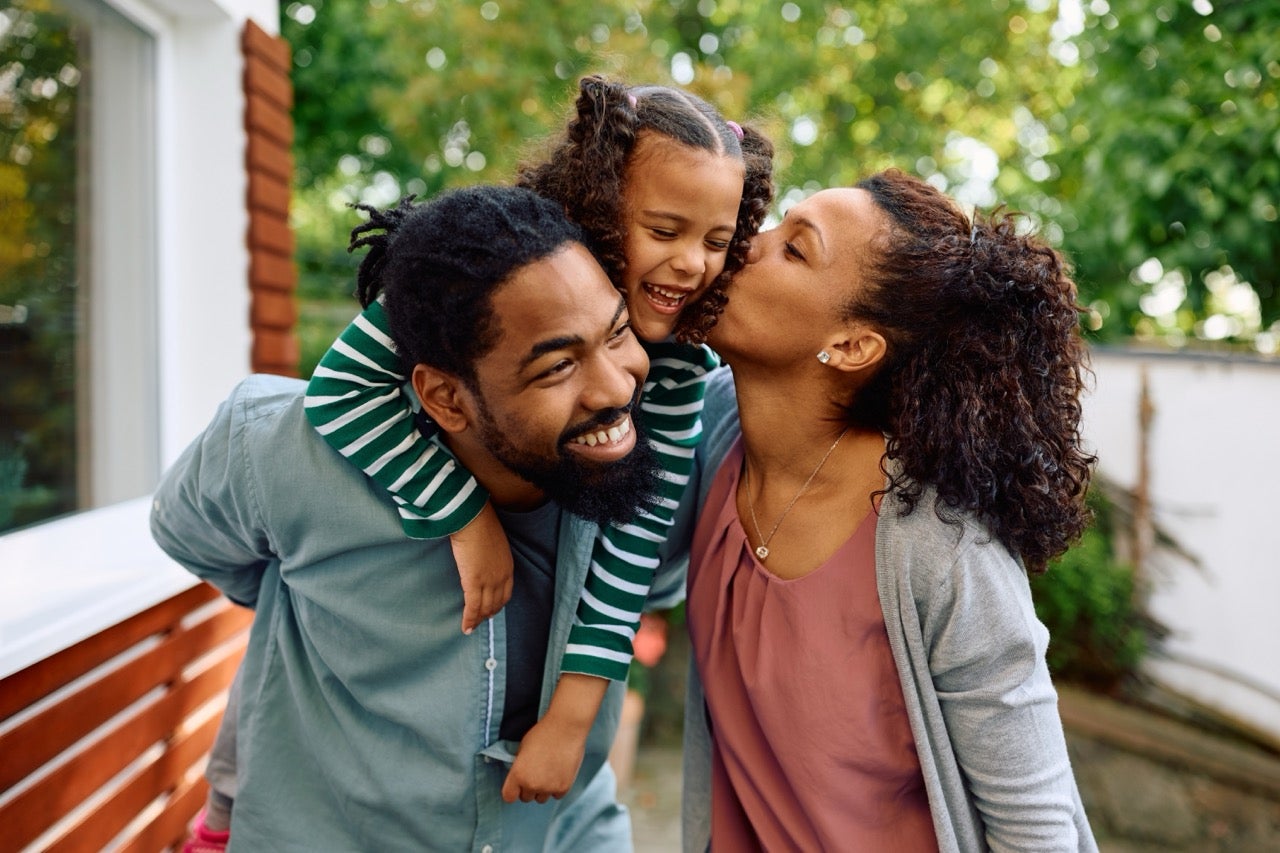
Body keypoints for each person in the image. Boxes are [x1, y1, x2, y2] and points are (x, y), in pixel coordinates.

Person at [151, 185, 695, 851]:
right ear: (445, 396)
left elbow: (659, 585)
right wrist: (315, 601)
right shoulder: (287, 455)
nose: (617, 386)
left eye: (618, 333)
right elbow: (192, 536)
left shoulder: (644, 467)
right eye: (558, 366)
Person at [301, 74, 773, 807]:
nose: (692, 264)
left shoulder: (677, 354)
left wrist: (571, 716)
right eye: (665, 230)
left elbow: (635, 534)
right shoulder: (489, 268)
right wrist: (464, 514)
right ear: (600, 203)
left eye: (718, 240)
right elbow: (339, 387)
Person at [681, 170, 1099, 851]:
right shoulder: (709, 434)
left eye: (794, 248)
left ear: (851, 345)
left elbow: (1036, 827)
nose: (743, 244)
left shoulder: (940, 543)